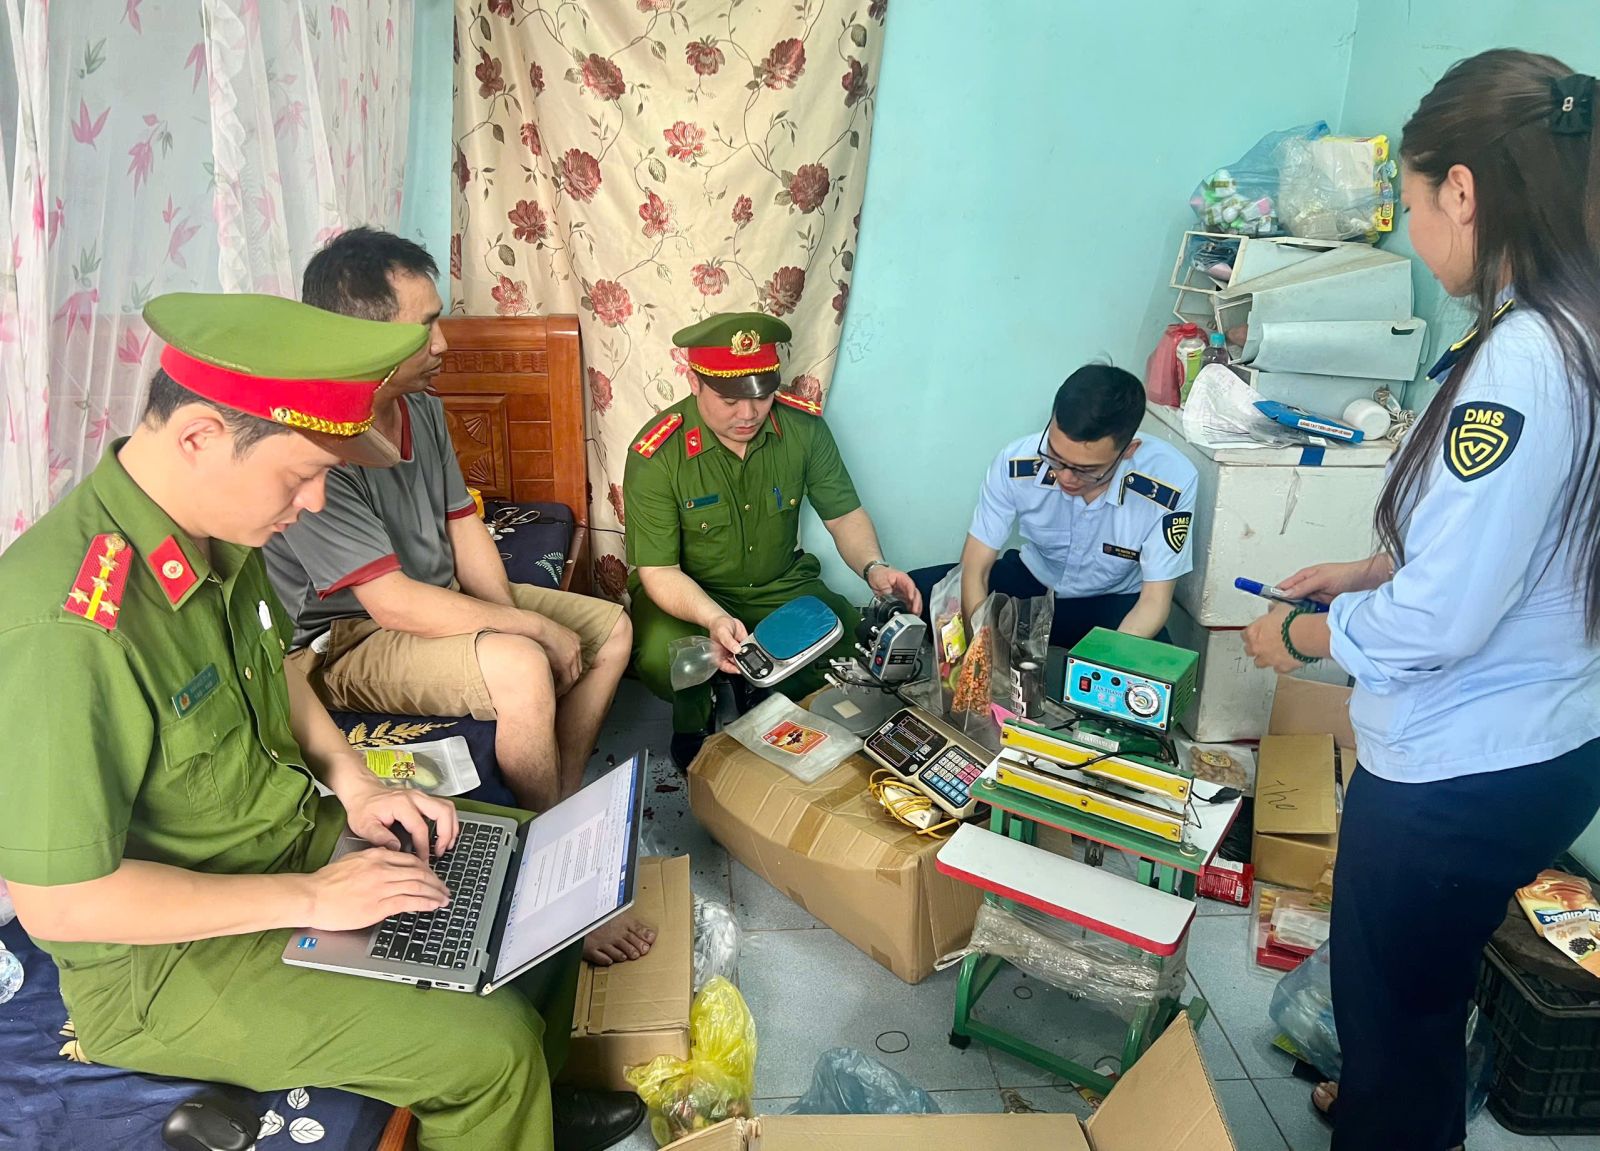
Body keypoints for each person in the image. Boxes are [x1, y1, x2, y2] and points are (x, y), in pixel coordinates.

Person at [0, 292, 645, 1151]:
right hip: (165, 961)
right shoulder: (68, 627)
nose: (312, 503)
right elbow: (63, 904)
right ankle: (509, 1090)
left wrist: (356, 784)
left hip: (286, 841)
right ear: (199, 437)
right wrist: (313, 895)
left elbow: (277, 670)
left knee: (534, 858)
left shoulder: (218, 537)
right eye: (300, 474)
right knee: (486, 1054)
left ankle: (537, 1106)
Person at [1241, 50, 1600, 1151]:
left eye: (1409, 204)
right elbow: (1528, 546)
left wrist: (1301, 633)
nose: (1409, 234)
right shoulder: (1576, 325)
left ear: (1463, 191)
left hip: (1461, 769)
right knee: (1420, 1003)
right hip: (1548, 739)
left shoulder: (1525, 360)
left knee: (1391, 1018)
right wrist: (1368, 570)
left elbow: (1445, 618)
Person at [262, 229, 650, 966]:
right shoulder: (321, 444)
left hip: (428, 601)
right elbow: (390, 604)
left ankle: (557, 808)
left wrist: (521, 615)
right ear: (365, 339)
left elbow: (464, 524)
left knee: (611, 631)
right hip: (350, 637)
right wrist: (528, 635)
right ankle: (552, 877)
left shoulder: (422, 409)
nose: (443, 342)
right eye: (425, 326)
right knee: (521, 668)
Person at [623, 312, 921, 769]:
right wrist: (713, 618)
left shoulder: (802, 428)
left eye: (761, 396)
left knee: (851, 646)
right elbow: (659, 571)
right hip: (691, 594)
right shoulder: (657, 453)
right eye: (729, 400)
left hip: (779, 585)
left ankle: (764, 689)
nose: (748, 414)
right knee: (669, 659)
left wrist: (874, 568)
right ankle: (694, 722)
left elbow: (844, 515)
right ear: (694, 382)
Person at [909, 364, 1197, 650]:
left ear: (1128, 451)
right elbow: (975, 568)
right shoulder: (1016, 463)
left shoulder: (1169, 484)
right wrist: (982, 645)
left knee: (1156, 673)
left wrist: (1103, 665)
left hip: (1114, 603)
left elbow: (1154, 601)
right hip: (1034, 583)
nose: (1065, 477)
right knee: (913, 596)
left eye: (1086, 470)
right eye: (1055, 457)